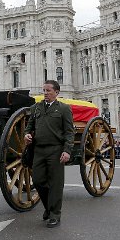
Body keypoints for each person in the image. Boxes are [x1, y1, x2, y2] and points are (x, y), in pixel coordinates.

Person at [24, 80, 74, 229]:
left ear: (56, 92)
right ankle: (48, 207)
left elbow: (69, 132)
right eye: (44, 90)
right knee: (38, 180)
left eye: (48, 90)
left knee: (56, 184)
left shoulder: (64, 109)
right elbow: (29, 127)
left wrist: (67, 150)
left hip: (56, 150)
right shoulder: (36, 108)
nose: (45, 93)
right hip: (39, 150)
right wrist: (26, 135)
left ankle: (55, 215)